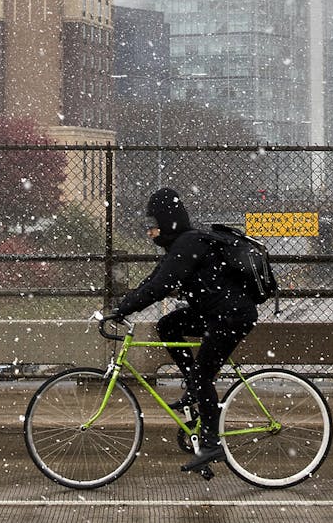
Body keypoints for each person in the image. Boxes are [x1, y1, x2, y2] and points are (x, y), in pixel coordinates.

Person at [106, 187, 259, 472]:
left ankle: (212, 444)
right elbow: (153, 280)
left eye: (153, 225)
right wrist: (122, 305)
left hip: (231, 316)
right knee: (169, 325)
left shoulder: (189, 244)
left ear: (167, 222)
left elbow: (160, 287)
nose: (150, 232)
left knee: (204, 374)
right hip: (216, 313)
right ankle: (193, 387)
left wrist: (124, 310)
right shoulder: (180, 246)